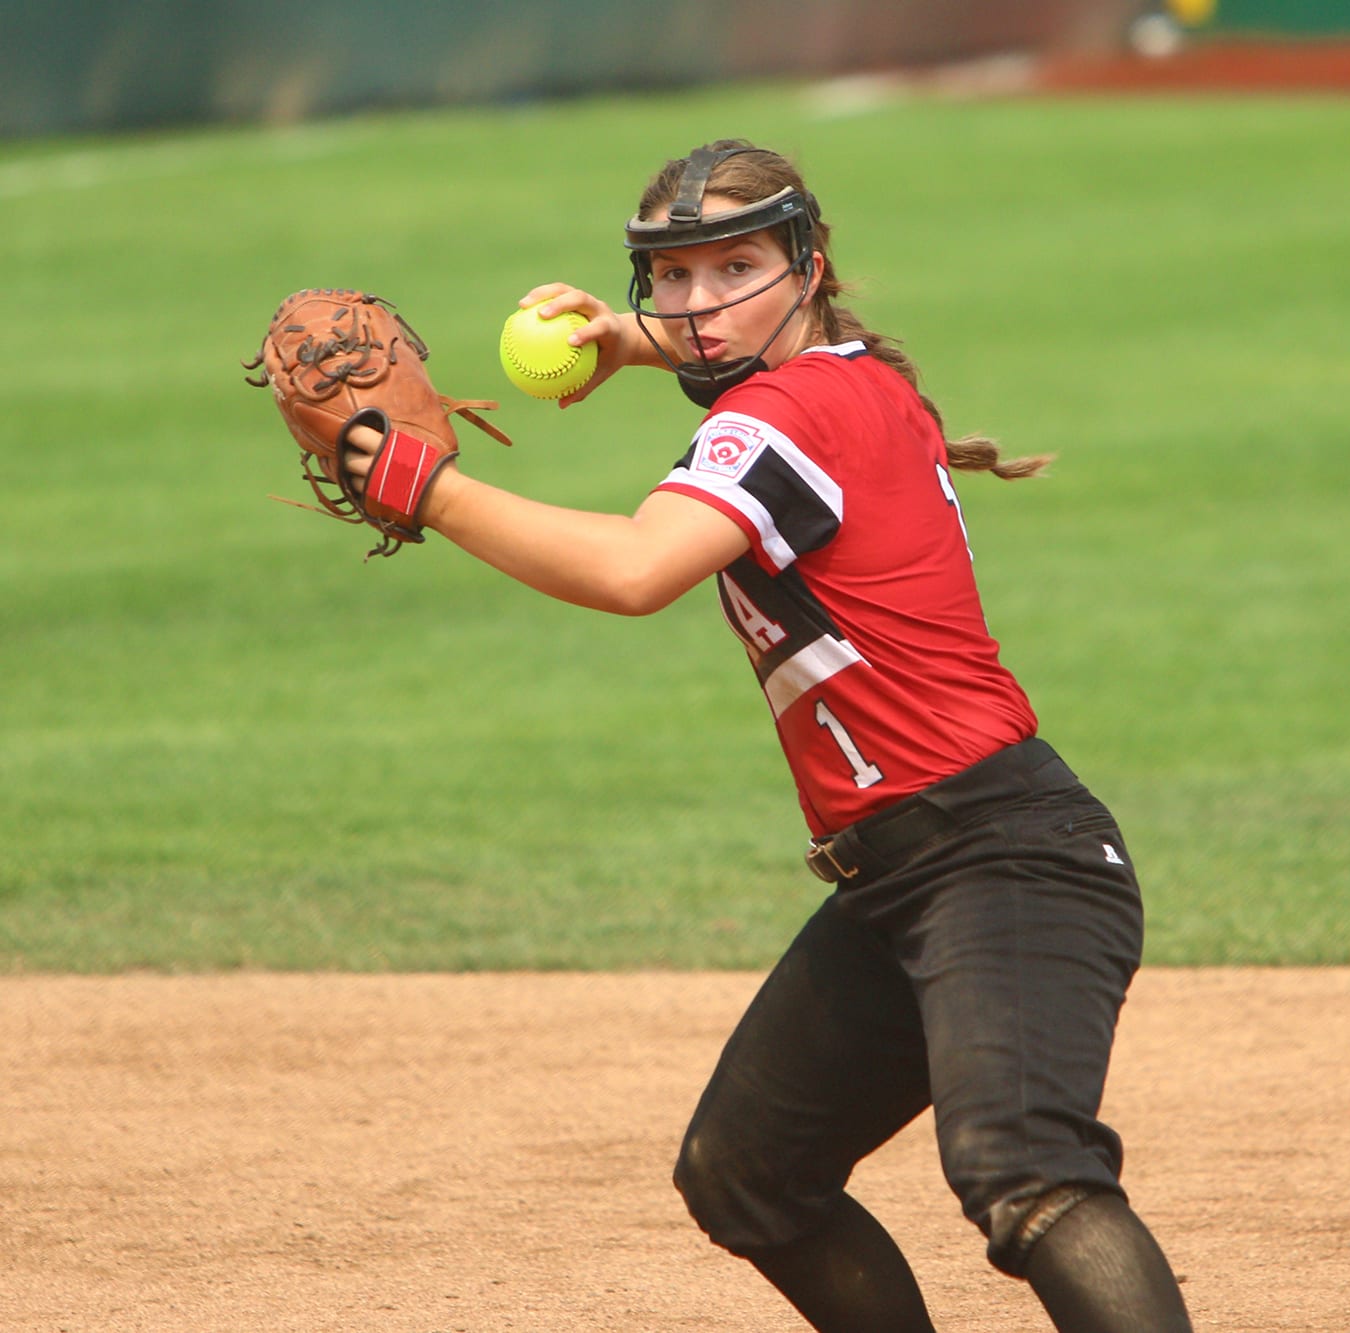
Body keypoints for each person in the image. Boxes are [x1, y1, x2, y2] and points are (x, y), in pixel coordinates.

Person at [343, 139, 1195, 1333]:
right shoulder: (854, 379)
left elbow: (638, 569)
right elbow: (730, 355)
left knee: (1024, 1171)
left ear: (808, 263)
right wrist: (625, 344)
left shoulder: (787, 416)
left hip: (1006, 859)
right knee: (746, 1171)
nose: (698, 306)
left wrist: (425, 488)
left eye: (734, 266)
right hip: (904, 878)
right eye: (672, 278)